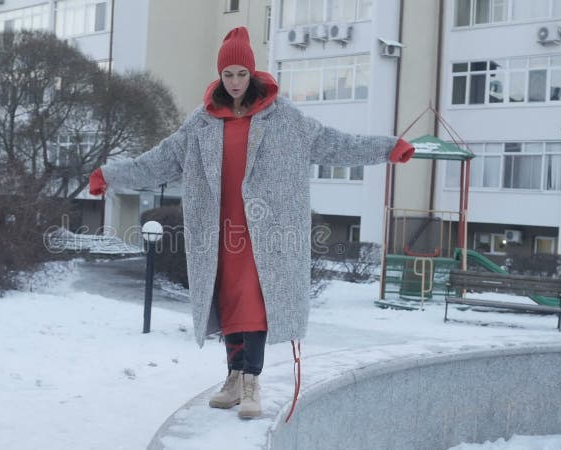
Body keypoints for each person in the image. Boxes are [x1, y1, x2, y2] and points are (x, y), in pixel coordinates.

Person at [89, 27, 414, 419]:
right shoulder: (202, 123)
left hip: (267, 233)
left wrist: (388, 148)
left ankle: (251, 382)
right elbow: (157, 161)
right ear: (220, 76)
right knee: (229, 302)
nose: (236, 82)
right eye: (228, 74)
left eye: (242, 74)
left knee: (254, 304)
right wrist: (109, 175)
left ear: (253, 73)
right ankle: (233, 377)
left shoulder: (284, 119)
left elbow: (335, 143)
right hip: (220, 230)